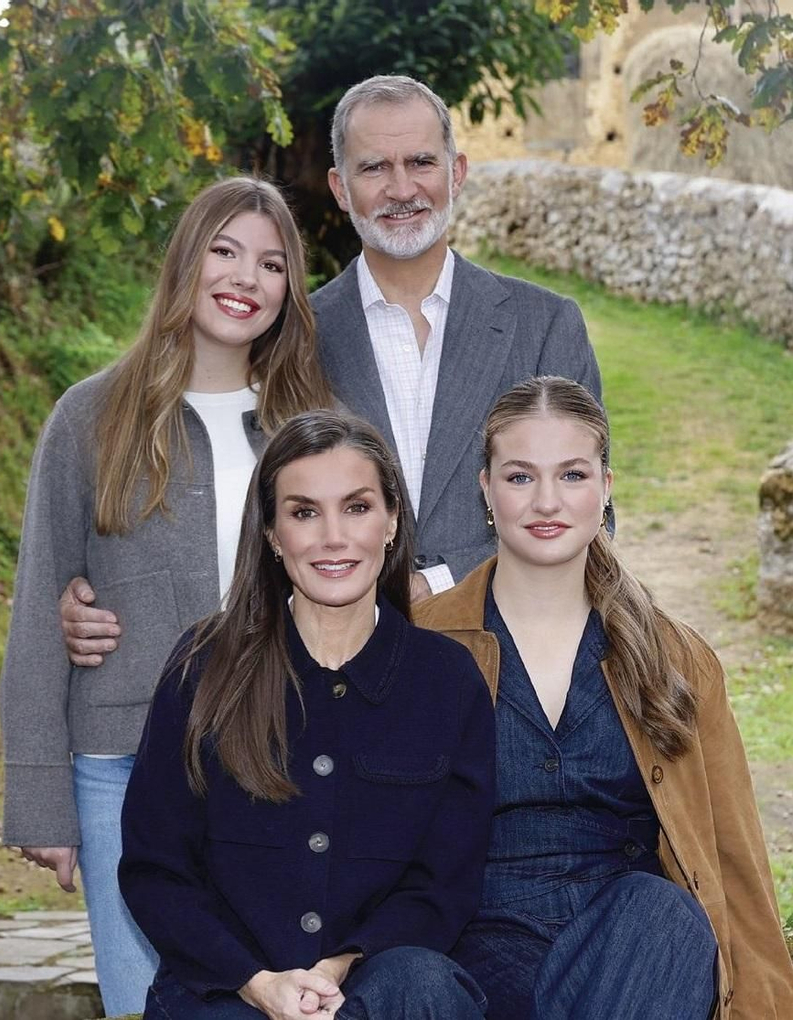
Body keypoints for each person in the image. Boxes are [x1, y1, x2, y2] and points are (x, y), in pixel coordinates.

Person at [58, 74, 602, 668]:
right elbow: (220, 470)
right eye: (374, 168)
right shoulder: (290, 337)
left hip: (515, 660)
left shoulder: (545, 325)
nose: (401, 188)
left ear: (457, 172)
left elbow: (593, 513)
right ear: (340, 188)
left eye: (421, 161)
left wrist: (441, 584)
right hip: (332, 678)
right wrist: (103, 587)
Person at [0, 176, 336, 1016]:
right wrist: (40, 797)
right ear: (185, 262)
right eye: (223, 251)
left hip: (283, 757)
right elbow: (43, 607)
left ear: (290, 289)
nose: (244, 278)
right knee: (144, 1000)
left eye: (270, 263)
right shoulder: (91, 418)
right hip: (123, 765)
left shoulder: (314, 425)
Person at [414, 377, 793, 1020]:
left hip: (630, 968)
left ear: (605, 488)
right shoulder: (421, 647)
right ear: (485, 489)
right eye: (518, 477)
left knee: (662, 915)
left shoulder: (675, 658)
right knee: (412, 979)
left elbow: (736, 861)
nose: (546, 501)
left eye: (571, 475)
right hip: (473, 960)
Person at [120, 411, 496, 1020]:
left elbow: (444, 882)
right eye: (303, 513)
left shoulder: (448, 681)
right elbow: (155, 870)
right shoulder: (203, 666)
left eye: (356, 507)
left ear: (392, 521)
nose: (332, 537)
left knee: (425, 987)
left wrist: (341, 965)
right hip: (225, 991)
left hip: (379, 986)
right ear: (271, 533)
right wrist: (255, 982)